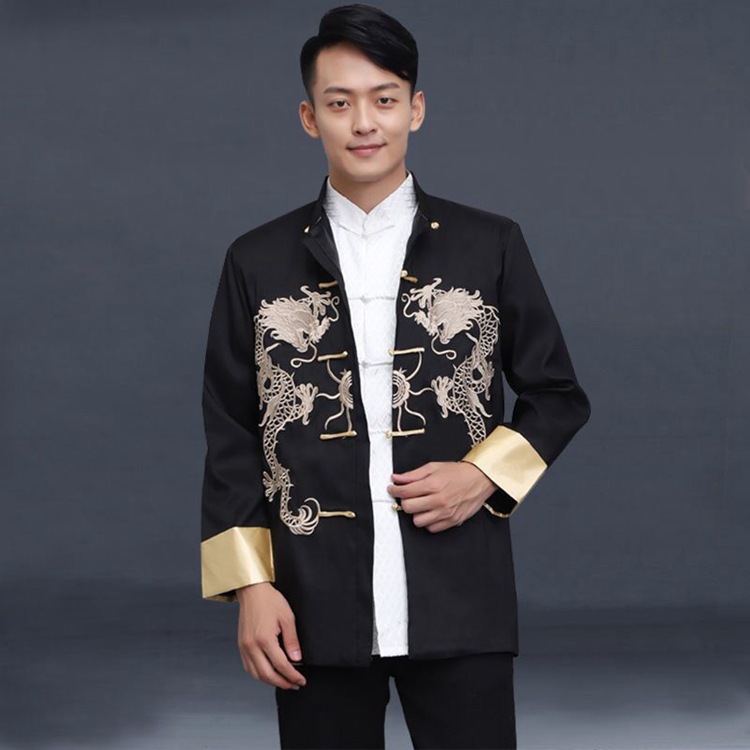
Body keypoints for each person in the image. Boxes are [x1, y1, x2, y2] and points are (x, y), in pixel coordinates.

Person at [199, 4, 591, 748]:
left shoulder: (489, 243)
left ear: (415, 109)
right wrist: (251, 585)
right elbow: (231, 430)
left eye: (383, 99)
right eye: (339, 103)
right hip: (311, 601)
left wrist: (483, 474)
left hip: (461, 590)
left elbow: (558, 396)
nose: (364, 123)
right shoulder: (256, 260)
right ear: (310, 118)